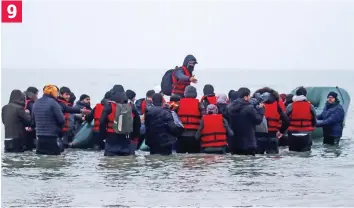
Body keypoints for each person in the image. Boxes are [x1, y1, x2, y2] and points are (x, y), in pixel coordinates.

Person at [227, 87, 265, 155]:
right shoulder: (249, 108)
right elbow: (258, 120)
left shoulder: (229, 108)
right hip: (248, 143)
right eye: (249, 96)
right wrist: (261, 110)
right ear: (245, 97)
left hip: (234, 144)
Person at [99, 91, 137, 156]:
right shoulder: (131, 106)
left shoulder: (109, 106)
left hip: (111, 137)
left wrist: (103, 136)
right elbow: (137, 122)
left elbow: (102, 122)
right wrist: (134, 136)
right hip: (126, 138)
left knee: (110, 160)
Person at [252, 88, 289, 154]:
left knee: (258, 158)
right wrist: (281, 131)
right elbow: (286, 121)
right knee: (273, 158)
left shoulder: (256, 104)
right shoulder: (278, 104)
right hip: (273, 135)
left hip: (259, 136)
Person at [32, 85, 65, 155]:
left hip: (39, 139)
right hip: (52, 138)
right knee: (54, 161)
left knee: (41, 161)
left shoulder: (36, 103)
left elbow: (32, 121)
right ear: (53, 93)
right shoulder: (53, 103)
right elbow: (61, 120)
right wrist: (60, 131)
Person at [286, 87, 316, 152]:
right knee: (306, 154)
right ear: (305, 95)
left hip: (293, 134)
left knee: (293, 154)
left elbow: (285, 120)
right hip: (306, 134)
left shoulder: (290, 106)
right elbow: (314, 121)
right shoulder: (310, 106)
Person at [176, 85, 204, 153]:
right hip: (194, 136)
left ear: (185, 93)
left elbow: (171, 114)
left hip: (181, 135)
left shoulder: (178, 104)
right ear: (195, 94)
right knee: (194, 160)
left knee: (181, 159)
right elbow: (204, 118)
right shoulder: (199, 104)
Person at [24, 87, 39, 151]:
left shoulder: (24, 103)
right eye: (36, 94)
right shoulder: (31, 104)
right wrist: (32, 127)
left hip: (24, 129)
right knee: (32, 148)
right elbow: (35, 117)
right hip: (31, 130)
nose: (37, 96)